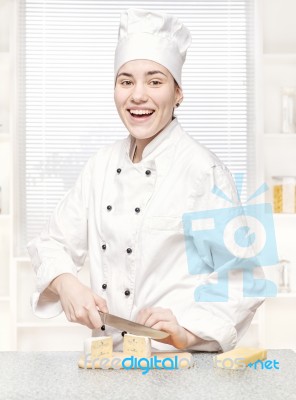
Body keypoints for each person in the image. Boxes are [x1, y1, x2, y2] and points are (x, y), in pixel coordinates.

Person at [27, 8, 264, 353]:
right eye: (126, 81)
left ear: (178, 93)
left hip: (176, 366)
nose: (138, 95)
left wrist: (187, 332)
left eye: (155, 81)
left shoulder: (202, 170)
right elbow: (52, 242)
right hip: (110, 363)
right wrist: (65, 283)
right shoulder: (100, 166)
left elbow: (243, 276)